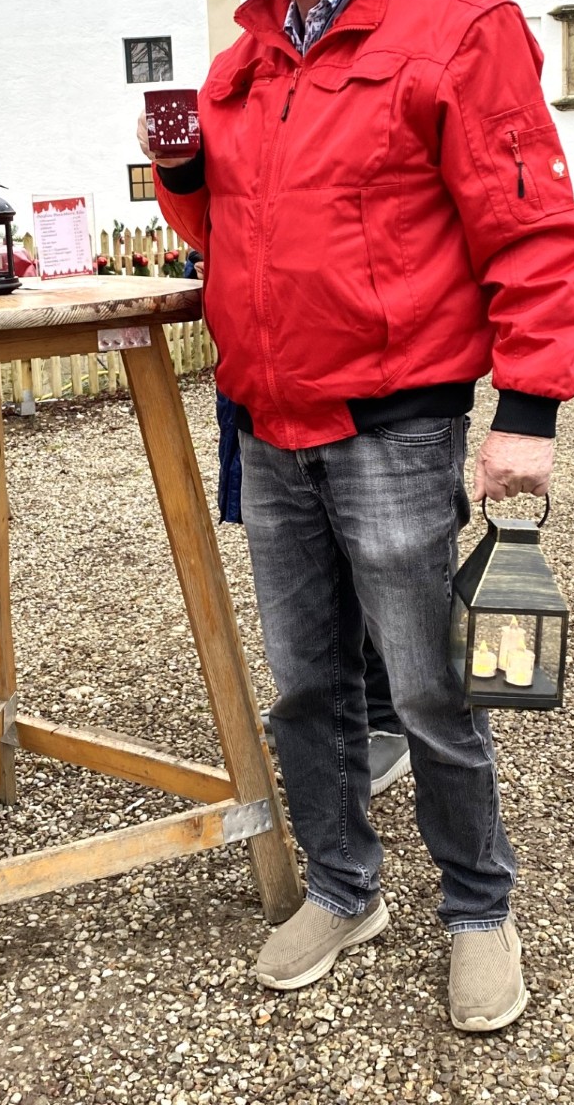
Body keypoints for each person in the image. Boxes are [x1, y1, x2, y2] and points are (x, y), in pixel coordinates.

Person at [140, 0, 574, 1031]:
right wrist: (183, 176)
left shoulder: (460, 32)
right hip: (268, 421)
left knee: (426, 686)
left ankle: (479, 907)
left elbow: (533, 230)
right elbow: (221, 235)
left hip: (396, 422)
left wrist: (529, 410)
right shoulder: (239, 67)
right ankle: (344, 886)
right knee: (304, 687)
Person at [188, 246, 412, 795]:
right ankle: (336, 716)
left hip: (348, 378)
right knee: (316, 577)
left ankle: (385, 719)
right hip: (268, 381)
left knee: (372, 569)